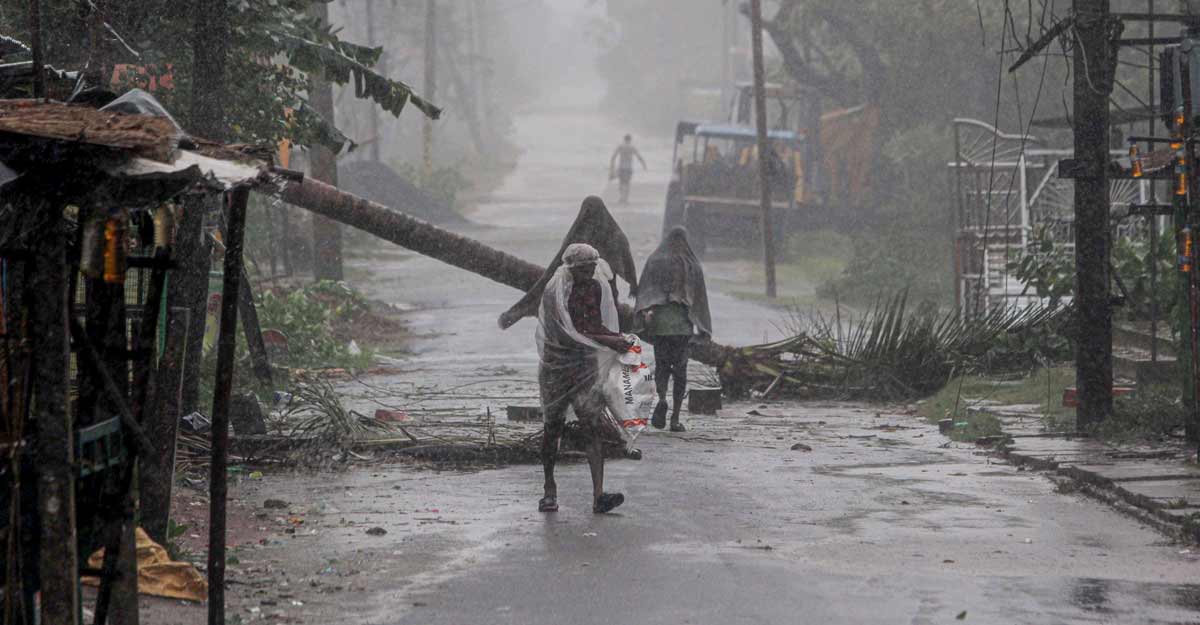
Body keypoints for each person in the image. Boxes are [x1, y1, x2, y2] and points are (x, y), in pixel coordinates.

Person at [537, 243, 635, 514]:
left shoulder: (594, 287)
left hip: (585, 366)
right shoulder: (554, 291)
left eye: (593, 267)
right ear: (572, 269)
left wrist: (616, 338)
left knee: (591, 425)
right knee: (552, 427)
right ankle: (549, 489)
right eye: (585, 269)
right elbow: (569, 332)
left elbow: (593, 326)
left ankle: (599, 495)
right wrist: (611, 341)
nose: (591, 272)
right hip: (557, 368)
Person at [634, 227, 712, 432]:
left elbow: (645, 291)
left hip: (660, 324)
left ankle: (661, 398)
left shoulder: (655, 261)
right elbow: (700, 298)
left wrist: (645, 314)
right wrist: (703, 327)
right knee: (680, 371)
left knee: (661, 366)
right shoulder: (692, 263)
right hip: (682, 326)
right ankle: (675, 417)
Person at [609, 134, 647, 204]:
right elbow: (639, 157)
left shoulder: (620, 146)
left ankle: (621, 197)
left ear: (624, 139)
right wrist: (644, 165)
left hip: (621, 167)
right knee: (627, 183)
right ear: (630, 140)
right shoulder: (632, 147)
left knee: (621, 183)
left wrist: (612, 167)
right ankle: (626, 198)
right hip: (629, 168)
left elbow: (614, 156)